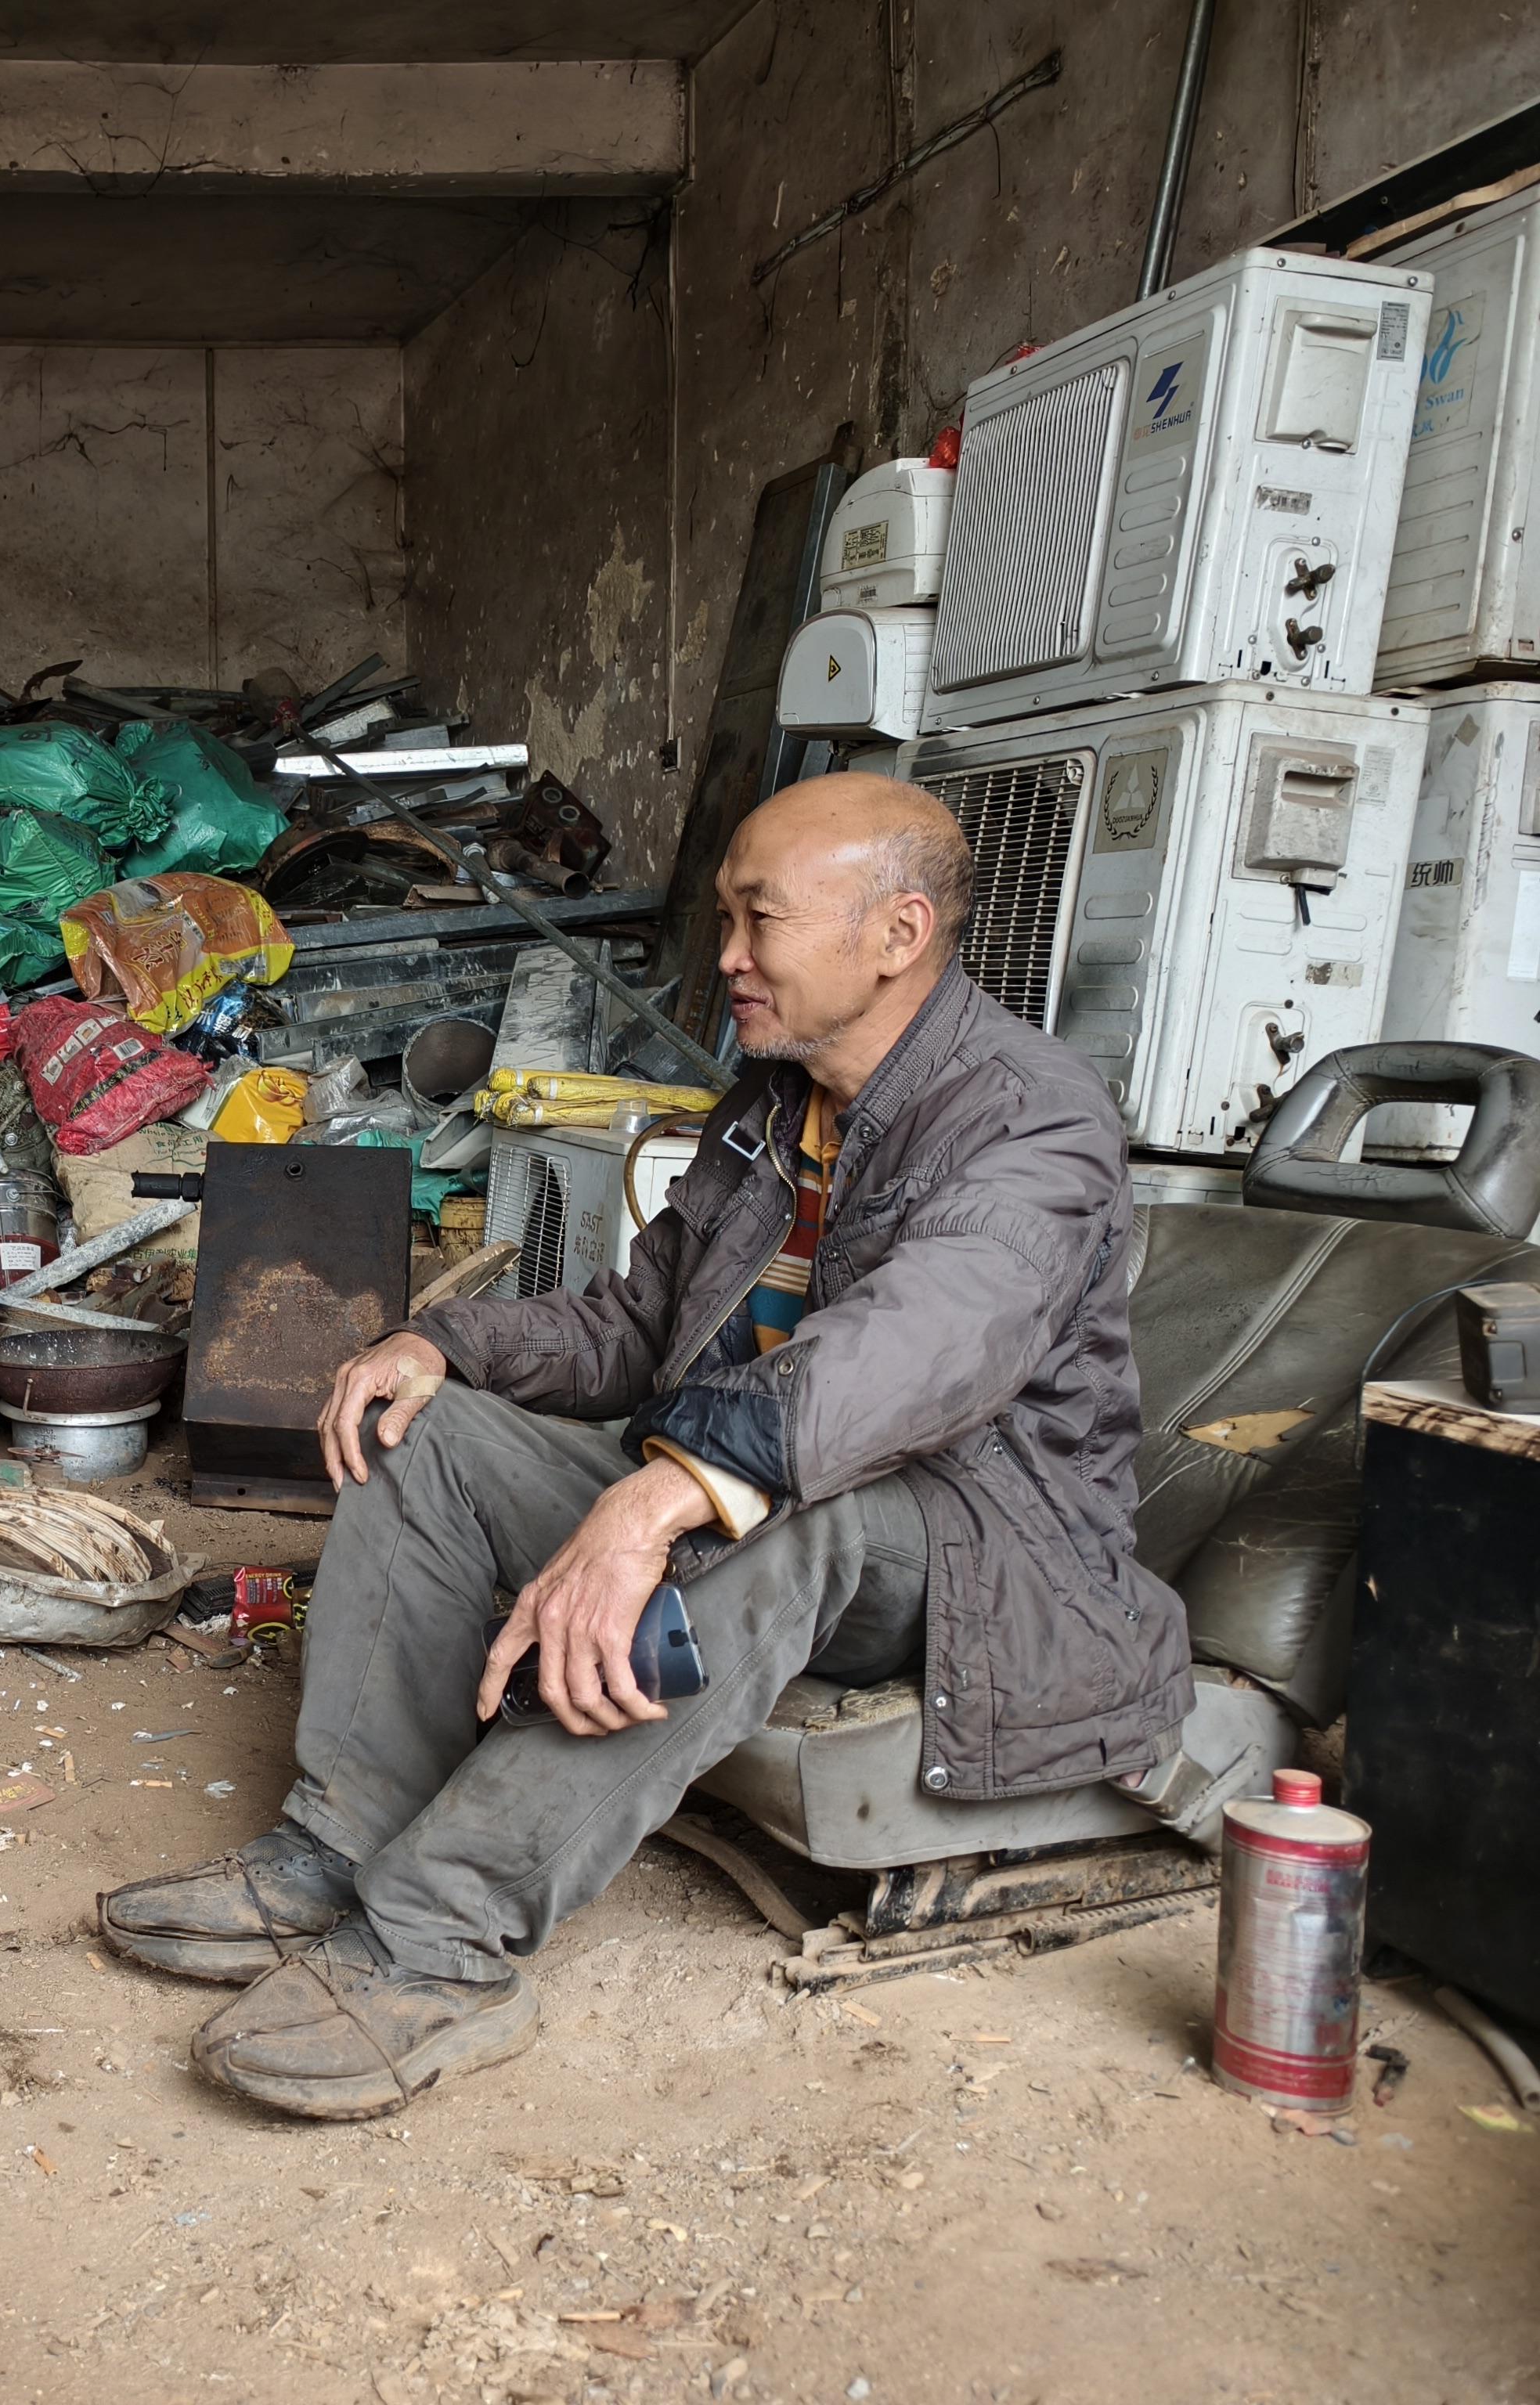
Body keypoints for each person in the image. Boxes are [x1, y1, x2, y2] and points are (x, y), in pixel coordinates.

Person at [96, 773, 1204, 2121]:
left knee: (794, 1506)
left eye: (760, 919)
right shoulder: (776, 1101)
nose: (726, 954)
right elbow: (639, 1322)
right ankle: (341, 1846)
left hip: (976, 1553)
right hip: (765, 1488)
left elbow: (920, 1347)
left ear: (899, 934)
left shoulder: (1031, 1115)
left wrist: (651, 1507)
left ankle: (441, 1942)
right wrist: (448, 1350)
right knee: (423, 1437)